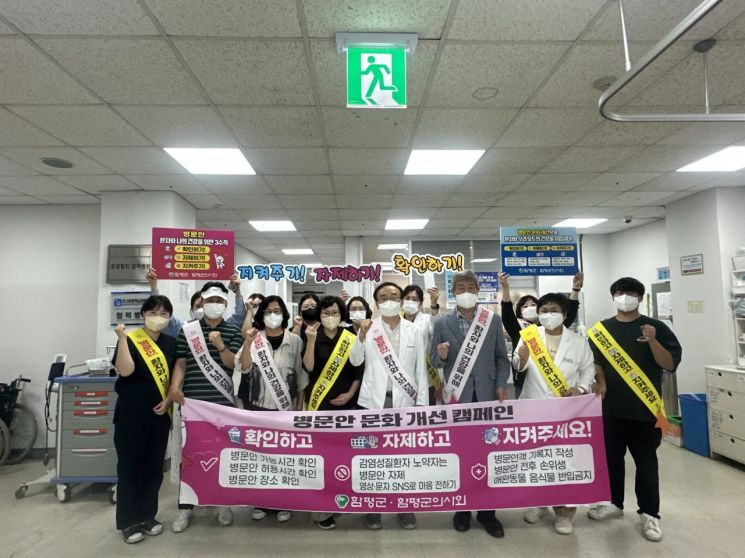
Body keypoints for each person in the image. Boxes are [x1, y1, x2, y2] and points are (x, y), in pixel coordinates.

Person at [586, 277, 682, 542]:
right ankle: (614, 503)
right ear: (613, 297)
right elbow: (596, 362)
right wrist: (601, 381)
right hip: (610, 408)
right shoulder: (601, 330)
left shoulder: (656, 327)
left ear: (640, 297)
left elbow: (670, 364)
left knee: (646, 462)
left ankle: (650, 514)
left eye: (629, 293)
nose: (624, 297)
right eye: (619, 293)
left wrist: (652, 341)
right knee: (611, 459)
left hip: (645, 411)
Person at [430, 270, 510, 539]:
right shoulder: (442, 322)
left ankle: (488, 513)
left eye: (470, 287)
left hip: (486, 395)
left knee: (488, 455)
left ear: (477, 290)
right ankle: (462, 509)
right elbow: (433, 359)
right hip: (457, 397)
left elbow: (501, 358)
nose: (466, 291)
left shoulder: (492, 319)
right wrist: (441, 356)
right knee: (461, 455)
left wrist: (501, 383)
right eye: (460, 287)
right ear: (453, 292)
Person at [168, 282, 249, 533]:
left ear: (225, 304)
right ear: (202, 302)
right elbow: (181, 363)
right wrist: (174, 387)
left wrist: (220, 345)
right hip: (192, 404)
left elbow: (233, 364)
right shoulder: (188, 330)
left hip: (221, 406)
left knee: (221, 456)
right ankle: (185, 507)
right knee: (189, 458)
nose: (214, 305)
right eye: (210, 300)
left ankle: (223, 503)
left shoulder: (233, 331)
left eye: (219, 301)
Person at [512, 292, 595, 535]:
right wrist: (521, 359)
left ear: (564, 314)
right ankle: (538, 503)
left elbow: (588, 371)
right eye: (544, 310)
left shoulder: (578, 341)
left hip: (566, 411)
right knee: (537, 459)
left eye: (554, 310)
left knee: (565, 461)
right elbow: (518, 365)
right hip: (534, 407)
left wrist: (581, 389)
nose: (548, 314)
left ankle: (565, 513)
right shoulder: (529, 336)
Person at [351, 282, 429, 531]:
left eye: (394, 296)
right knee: (373, 458)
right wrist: (361, 336)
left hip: (404, 403)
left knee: (403, 457)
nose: (389, 301)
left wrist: (422, 405)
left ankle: (404, 506)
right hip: (373, 402)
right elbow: (355, 361)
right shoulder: (369, 328)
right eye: (383, 297)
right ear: (376, 303)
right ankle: (373, 507)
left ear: (402, 299)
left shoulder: (413, 330)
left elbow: (420, 370)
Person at [237, 295, 307, 524]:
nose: (272, 315)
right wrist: (248, 343)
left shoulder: (295, 341)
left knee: (283, 457)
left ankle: (283, 502)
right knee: (259, 457)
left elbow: (300, 375)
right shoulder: (254, 338)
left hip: (284, 409)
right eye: (268, 311)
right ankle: (261, 502)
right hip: (256, 407)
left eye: (277, 311)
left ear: (284, 314)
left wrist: (299, 406)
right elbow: (244, 368)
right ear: (262, 315)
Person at [112, 295, 176, 544]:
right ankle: (128, 522)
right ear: (143, 314)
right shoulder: (130, 339)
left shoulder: (170, 343)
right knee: (130, 469)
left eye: (163, 314)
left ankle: (148, 516)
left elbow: (174, 376)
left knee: (153, 469)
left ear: (169, 318)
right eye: (153, 313)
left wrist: (169, 400)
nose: (158, 318)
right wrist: (121, 338)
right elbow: (125, 371)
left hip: (159, 417)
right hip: (131, 416)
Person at [303, 296, 363, 530]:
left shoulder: (350, 337)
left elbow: (359, 371)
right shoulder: (312, 335)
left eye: (335, 312)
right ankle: (323, 507)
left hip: (346, 405)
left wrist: (350, 394)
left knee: (343, 456)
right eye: (325, 313)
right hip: (319, 405)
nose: (330, 317)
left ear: (341, 315)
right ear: (319, 315)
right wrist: (310, 341)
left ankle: (341, 499)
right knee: (321, 457)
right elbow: (308, 367)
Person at [499, 272, 584, 396]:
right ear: (520, 312)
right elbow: (507, 313)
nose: (530, 308)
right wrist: (505, 288)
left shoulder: (552, 326)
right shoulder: (518, 330)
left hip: (557, 383)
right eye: (525, 306)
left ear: (539, 310)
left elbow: (570, 313)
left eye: (533, 305)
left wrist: (575, 289)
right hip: (526, 384)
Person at [146, 268, 247, 338]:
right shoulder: (184, 328)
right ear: (192, 309)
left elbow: (239, 316)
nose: (202, 309)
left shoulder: (227, 327)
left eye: (216, 302)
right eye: (198, 306)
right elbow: (164, 315)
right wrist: (153, 286)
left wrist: (237, 291)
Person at [402, 285, 441, 403]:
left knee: (426, 410)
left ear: (420, 303)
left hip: (426, 374)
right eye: (407, 298)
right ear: (402, 300)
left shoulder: (426, 319)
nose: (410, 301)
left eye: (415, 299)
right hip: (402, 376)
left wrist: (434, 304)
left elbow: (436, 329)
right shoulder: (396, 321)